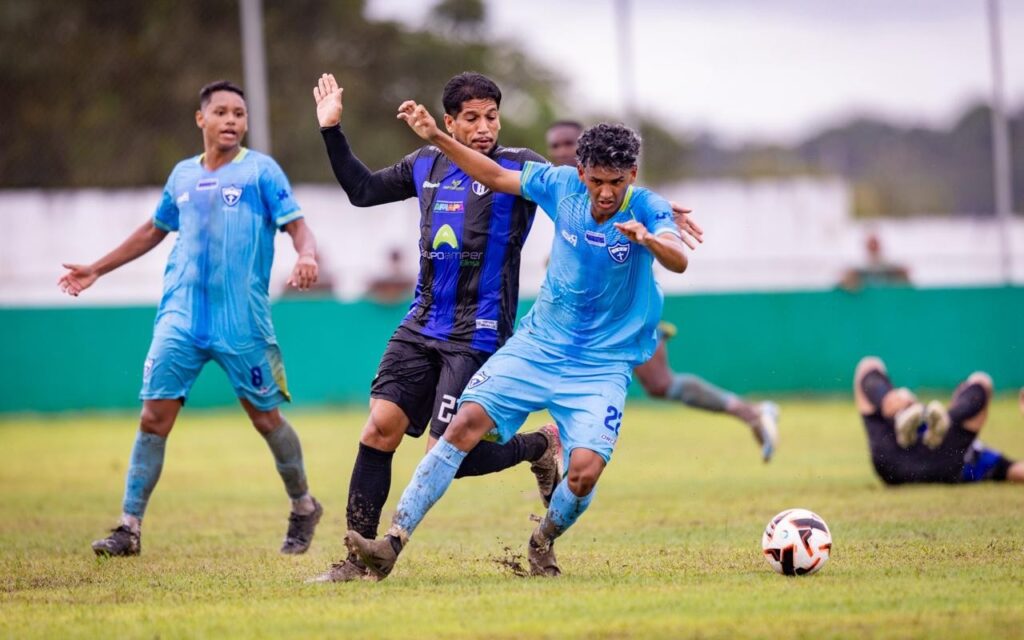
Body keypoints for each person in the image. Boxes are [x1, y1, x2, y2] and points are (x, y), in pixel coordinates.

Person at [344, 108, 691, 580]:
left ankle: (542, 540)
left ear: (632, 174)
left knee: (584, 472)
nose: (606, 193)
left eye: (616, 182)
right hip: (539, 345)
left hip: (602, 364)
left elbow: (678, 259)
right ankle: (392, 542)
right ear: (581, 172)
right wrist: (437, 138)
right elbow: (491, 174)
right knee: (462, 424)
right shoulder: (560, 185)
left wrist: (649, 239)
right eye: (596, 181)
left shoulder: (647, 207)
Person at [309, 71, 565, 582]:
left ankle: (538, 446)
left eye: (491, 116)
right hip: (421, 322)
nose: (484, 127)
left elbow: (577, 202)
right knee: (379, 428)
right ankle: (356, 560)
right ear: (450, 121)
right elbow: (362, 190)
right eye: (471, 118)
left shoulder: (522, 167)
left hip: (479, 334)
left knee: (449, 456)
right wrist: (331, 129)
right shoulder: (424, 163)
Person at [58, 81, 324, 557]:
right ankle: (128, 528)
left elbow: (299, 226)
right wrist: (96, 268)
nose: (231, 120)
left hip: (243, 321)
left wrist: (306, 254)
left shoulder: (261, 172)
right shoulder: (182, 175)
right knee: (153, 417)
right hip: (180, 317)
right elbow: (153, 229)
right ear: (201, 119)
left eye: (239, 113)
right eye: (221, 112)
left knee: (266, 419)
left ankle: (303, 505)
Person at [545, 120, 779, 461]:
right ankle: (563, 458)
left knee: (659, 383)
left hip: (625, 312)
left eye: (569, 143)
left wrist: (662, 217)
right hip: (584, 315)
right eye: (555, 146)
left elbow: (643, 213)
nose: (561, 151)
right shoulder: (564, 192)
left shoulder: (618, 194)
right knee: (642, 384)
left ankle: (753, 413)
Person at [853, 356, 1023, 484]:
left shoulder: (977, 450)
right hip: (946, 467)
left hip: (893, 463)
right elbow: (1017, 471)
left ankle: (895, 407)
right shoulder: (984, 456)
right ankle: (936, 416)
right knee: (981, 383)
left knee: (869, 365)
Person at [839, 232, 911, 291]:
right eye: (871, 246)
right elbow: (845, 282)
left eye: (875, 245)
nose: (873, 248)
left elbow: (904, 280)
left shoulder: (890, 267)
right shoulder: (859, 268)